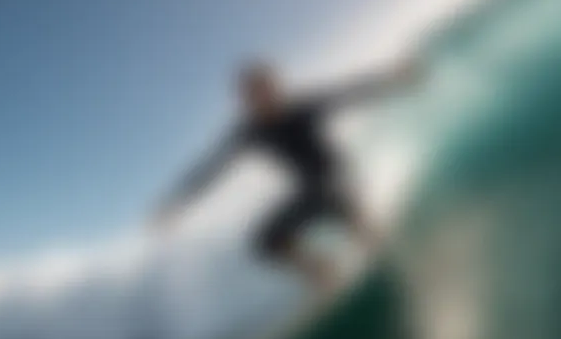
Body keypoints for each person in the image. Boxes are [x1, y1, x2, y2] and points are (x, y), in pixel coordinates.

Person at [151, 56, 421, 296]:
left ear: (276, 87)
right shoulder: (250, 131)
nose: (261, 99)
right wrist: (177, 202)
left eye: (265, 90)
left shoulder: (301, 107)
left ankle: (395, 258)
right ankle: (321, 270)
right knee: (264, 241)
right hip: (308, 193)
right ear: (246, 101)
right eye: (251, 96)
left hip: (337, 179)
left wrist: (394, 79)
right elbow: (211, 168)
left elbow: (349, 92)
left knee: (353, 218)